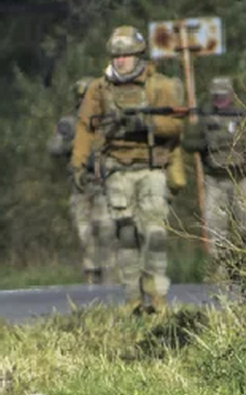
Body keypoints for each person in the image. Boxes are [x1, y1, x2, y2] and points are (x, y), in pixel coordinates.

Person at [69, 25, 184, 314]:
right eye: (116, 56)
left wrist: (147, 125)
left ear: (138, 55)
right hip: (117, 168)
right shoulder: (99, 89)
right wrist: (78, 164)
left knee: (155, 232)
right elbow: (85, 126)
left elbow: (177, 124)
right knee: (126, 234)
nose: (120, 61)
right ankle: (133, 298)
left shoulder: (160, 86)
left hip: (151, 167)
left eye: (126, 55)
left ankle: (157, 296)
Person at [183, 77, 246, 259]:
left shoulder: (243, 117)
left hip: (243, 178)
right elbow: (189, 144)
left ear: (231, 95)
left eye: (223, 96)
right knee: (216, 227)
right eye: (217, 97)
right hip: (215, 179)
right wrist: (201, 137)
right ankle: (222, 270)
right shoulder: (204, 119)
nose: (220, 101)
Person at [48, 77, 110, 284]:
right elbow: (54, 148)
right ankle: (92, 273)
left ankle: (109, 273)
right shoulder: (68, 123)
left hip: (104, 184)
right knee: (84, 230)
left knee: (105, 228)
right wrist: (74, 144)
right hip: (80, 185)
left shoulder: (107, 122)